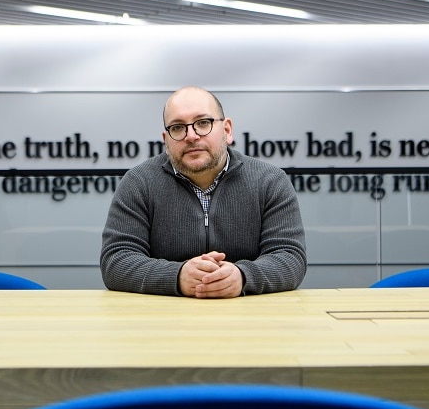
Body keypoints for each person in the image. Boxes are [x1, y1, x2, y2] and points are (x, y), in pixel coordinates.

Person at [100, 86, 307, 298]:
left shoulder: (270, 181)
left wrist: (243, 276)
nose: (191, 136)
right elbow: (116, 260)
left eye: (203, 123)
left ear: (227, 130)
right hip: (164, 321)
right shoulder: (138, 183)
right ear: (166, 139)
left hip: (249, 320)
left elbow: (290, 257)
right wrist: (177, 276)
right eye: (178, 127)